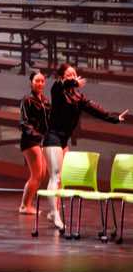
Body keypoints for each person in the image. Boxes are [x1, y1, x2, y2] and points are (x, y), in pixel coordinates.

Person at [41, 63, 128, 229]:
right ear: (61, 77)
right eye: (69, 75)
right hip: (52, 138)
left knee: (59, 179)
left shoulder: (78, 97)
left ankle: (53, 212)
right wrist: (73, 82)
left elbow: (95, 109)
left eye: (74, 74)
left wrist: (114, 118)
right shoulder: (57, 89)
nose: (73, 77)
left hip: (63, 140)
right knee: (55, 176)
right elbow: (62, 85)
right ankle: (55, 213)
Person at [18, 70, 50, 215]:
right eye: (37, 81)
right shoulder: (27, 100)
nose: (40, 83)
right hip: (30, 140)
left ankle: (28, 204)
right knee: (36, 174)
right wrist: (37, 136)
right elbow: (24, 123)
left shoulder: (45, 101)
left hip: (41, 140)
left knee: (41, 174)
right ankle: (25, 206)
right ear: (31, 82)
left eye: (42, 81)